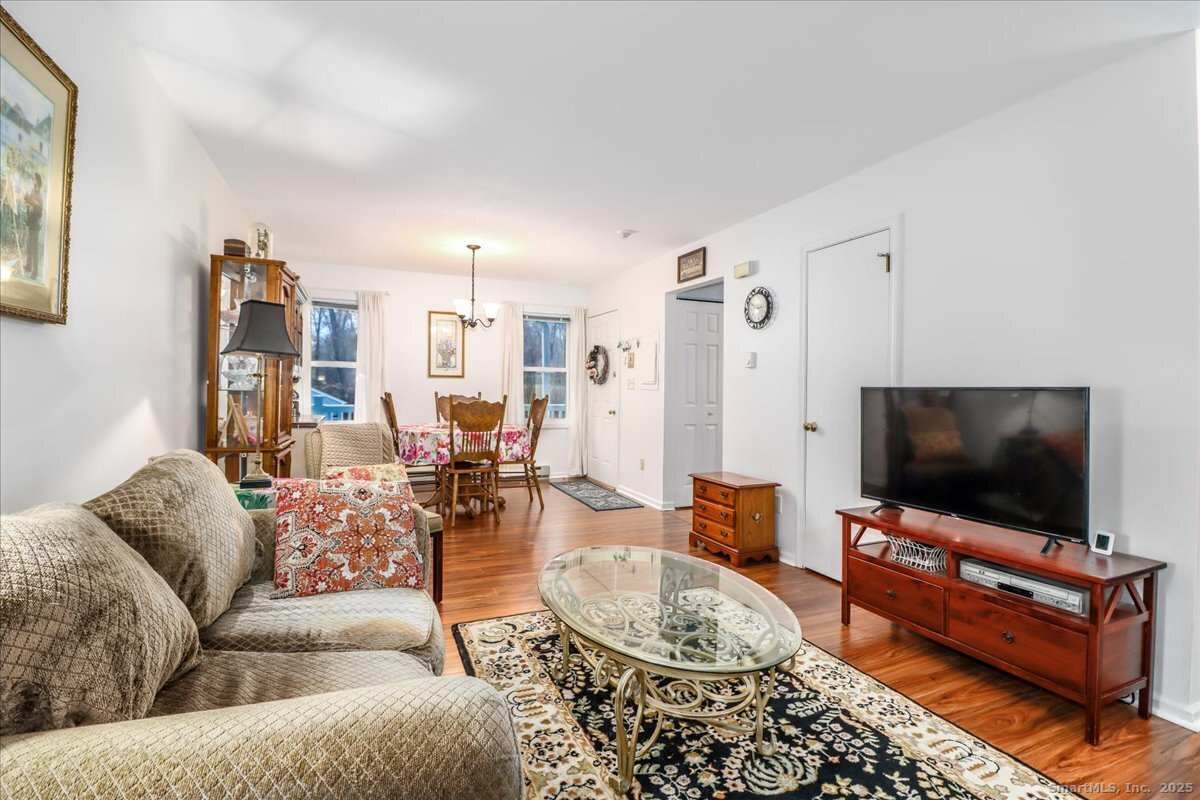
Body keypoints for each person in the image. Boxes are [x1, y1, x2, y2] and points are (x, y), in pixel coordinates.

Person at [23, 173, 44, 282]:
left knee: (35, 249)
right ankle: (28, 265)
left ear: (38, 181)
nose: (32, 180)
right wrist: (28, 204)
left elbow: (40, 213)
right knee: (29, 246)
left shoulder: (40, 195)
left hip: (35, 225)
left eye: (34, 179)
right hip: (30, 223)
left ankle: (35, 272)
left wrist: (31, 208)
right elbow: (30, 203)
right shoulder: (33, 192)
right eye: (32, 179)